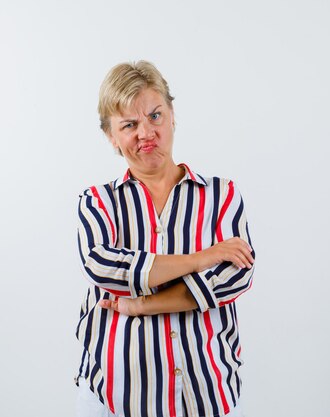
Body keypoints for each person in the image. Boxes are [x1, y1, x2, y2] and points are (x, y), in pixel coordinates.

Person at [75, 61, 256, 417]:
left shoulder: (221, 196)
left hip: (206, 392)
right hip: (114, 397)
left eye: (155, 116)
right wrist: (202, 258)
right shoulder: (98, 202)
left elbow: (235, 276)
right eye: (129, 124)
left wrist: (142, 305)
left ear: (172, 115)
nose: (146, 133)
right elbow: (106, 268)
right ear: (111, 136)